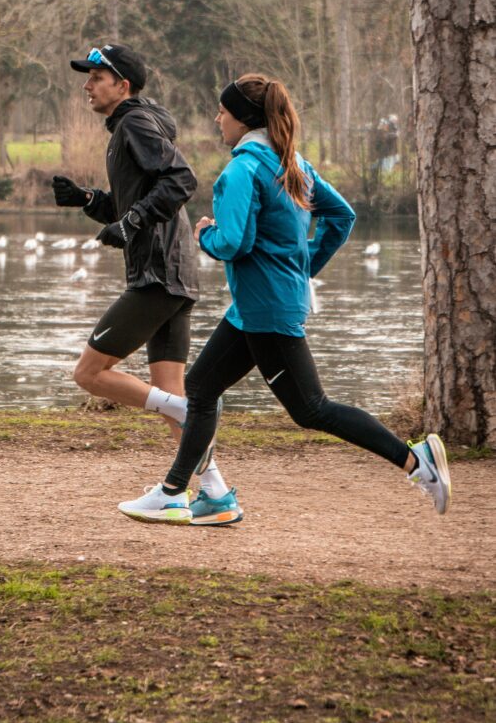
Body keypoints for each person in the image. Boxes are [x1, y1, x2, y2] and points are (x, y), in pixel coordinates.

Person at [118, 73, 452, 524]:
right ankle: (189, 495)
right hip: (259, 305)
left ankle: (416, 461)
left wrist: (205, 235)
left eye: (223, 111)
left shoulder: (242, 170)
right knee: (200, 388)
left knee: (312, 409)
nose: (217, 118)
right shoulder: (291, 163)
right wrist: (304, 265)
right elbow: (341, 216)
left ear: (242, 119)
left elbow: (234, 242)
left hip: (266, 309)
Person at [52, 44, 237, 523]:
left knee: (89, 374)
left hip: (157, 275)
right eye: (88, 77)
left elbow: (180, 181)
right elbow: (136, 201)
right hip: (176, 274)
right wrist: (88, 200)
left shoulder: (134, 123)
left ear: (123, 85)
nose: (87, 85)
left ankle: (191, 414)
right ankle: (215, 493)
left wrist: (130, 222)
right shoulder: (132, 126)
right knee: (169, 397)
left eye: (96, 77)